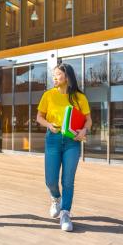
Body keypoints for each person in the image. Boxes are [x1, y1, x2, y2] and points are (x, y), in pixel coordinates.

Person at [36, 63, 92, 232]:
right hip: (53, 139)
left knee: (68, 180)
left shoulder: (79, 98)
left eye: (58, 74)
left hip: (72, 142)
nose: (54, 77)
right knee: (50, 180)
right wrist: (49, 125)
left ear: (67, 77)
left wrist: (83, 131)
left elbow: (88, 120)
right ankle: (55, 198)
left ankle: (66, 213)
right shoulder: (48, 95)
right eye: (53, 75)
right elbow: (39, 117)